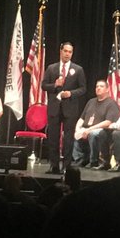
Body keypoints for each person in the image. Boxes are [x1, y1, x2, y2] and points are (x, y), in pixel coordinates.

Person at [40, 42, 87, 174]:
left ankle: (67, 166)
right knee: (53, 138)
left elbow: (83, 89)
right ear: (60, 51)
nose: (67, 54)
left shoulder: (78, 69)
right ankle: (54, 165)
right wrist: (54, 85)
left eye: (70, 52)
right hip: (54, 108)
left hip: (70, 108)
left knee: (68, 139)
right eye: (65, 51)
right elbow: (43, 86)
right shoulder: (52, 68)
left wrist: (71, 93)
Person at [73, 79, 120, 169]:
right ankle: (80, 160)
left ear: (107, 89)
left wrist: (90, 129)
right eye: (97, 86)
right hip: (86, 128)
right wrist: (77, 129)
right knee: (72, 131)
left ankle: (94, 161)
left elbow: (108, 122)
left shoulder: (111, 103)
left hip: (102, 130)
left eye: (101, 86)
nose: (98, 88)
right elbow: (81, 118)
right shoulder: (91, 101)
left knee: (93, 134)